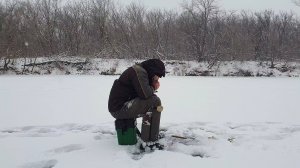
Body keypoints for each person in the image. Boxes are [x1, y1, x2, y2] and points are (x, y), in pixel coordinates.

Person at [108, 59, 165, 150]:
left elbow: (142, 92)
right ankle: (148, 141)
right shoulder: (139, 72)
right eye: (157, 76)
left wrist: (151, 84)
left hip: (122, 106)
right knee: (155, 101)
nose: (157, 78)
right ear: (152, 70)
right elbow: (145, 94)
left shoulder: (141, 71)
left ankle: (152, 136)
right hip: (119, 109)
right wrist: (154, 86)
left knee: (153, 101)